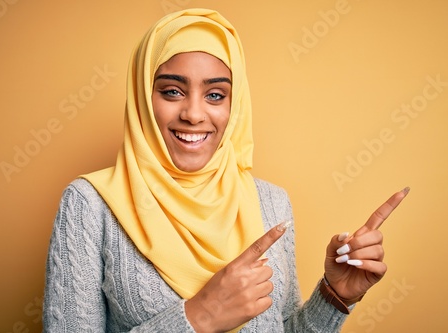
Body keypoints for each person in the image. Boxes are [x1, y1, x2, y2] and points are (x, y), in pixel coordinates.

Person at [42, 8, 409, 332]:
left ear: (236, 104)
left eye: (215, 95)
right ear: (141, 96)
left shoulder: (270, 202)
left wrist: (334, 297)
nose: (194, 113)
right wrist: (199, 316)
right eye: (172, 91)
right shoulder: (90, 204)